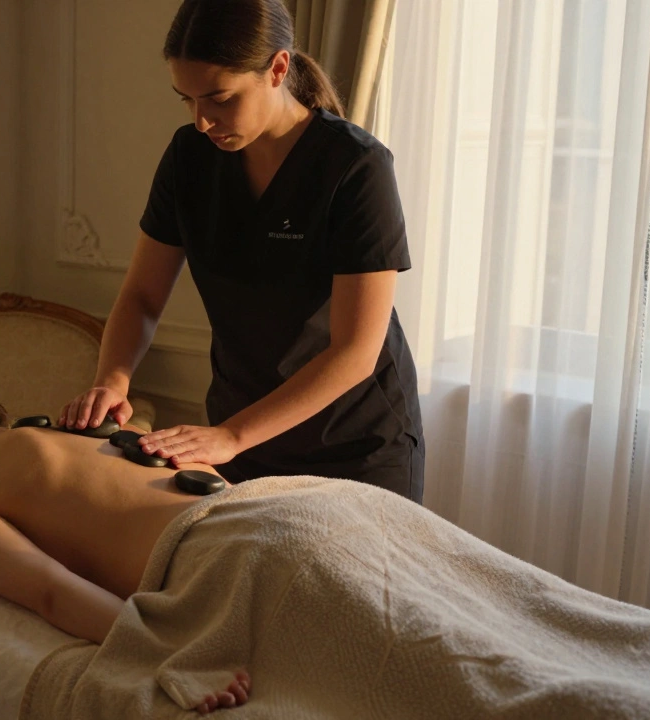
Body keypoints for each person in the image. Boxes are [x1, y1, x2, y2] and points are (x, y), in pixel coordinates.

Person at [59, 0, 425, 502]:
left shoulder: (355, 167)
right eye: (186, 100)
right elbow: (143, 295)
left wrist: (232, 436)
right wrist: (113, 380)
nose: (203, 120)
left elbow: (356, 352)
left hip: (356, 445)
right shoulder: (189, 158)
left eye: (220, 98)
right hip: (241, 433)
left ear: (277, 68)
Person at [0, 379, 251, 714]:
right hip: (268, 522)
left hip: (237, 540)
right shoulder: (60, 435)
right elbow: (49, 587)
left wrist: (173, 655)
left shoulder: (58, 435)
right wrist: (172, 652)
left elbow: (51, 592)